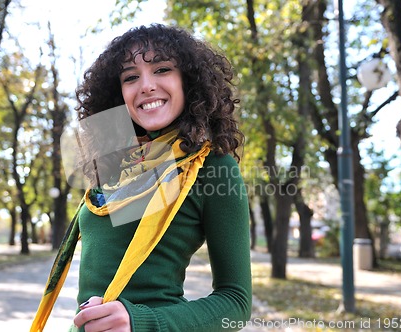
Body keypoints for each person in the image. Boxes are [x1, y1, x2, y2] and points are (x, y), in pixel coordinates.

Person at [31, 23, 251, 332]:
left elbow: (236, 302)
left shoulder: (213, 166)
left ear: (188, 80)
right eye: (130, 77)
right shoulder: (113, 163)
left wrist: (141, 321)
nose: (145, 85)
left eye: (161, 69)